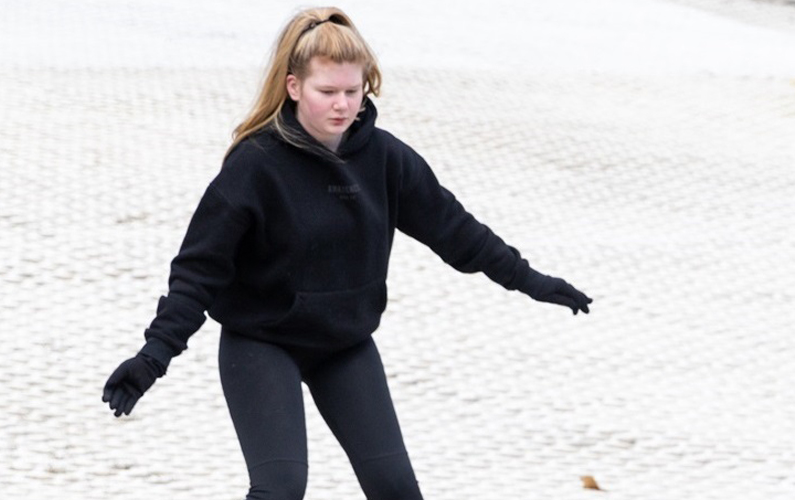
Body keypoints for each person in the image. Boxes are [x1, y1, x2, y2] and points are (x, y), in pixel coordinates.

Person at [102, 6, 593, 500]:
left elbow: (457, 232)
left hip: (344, 344)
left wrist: (530, 280)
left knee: (396, 490)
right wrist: (153, 357)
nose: (341, 105)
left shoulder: (385, 159)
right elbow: (196, 275)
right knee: (281, 489)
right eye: (327, 92)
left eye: (351, 92)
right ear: (294, 87)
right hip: (261, 342)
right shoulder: (256, 167)